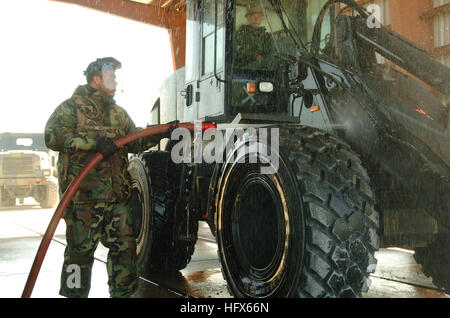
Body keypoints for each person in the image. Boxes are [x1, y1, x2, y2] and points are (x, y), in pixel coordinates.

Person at [44, 57, 167, 298]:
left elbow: (136, 140)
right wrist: (93, 144)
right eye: (111, 75)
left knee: (125, 252)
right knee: (79, 255)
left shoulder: (118, 113)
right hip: (83, 200)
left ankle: (122, 295)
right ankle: (74, 296)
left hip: (117, 198)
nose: (115, 79)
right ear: (96, 79)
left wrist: (162, 131)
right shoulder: (71, 108)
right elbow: (52, 136)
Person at [234, 2, 274, 69]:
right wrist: (254, 56)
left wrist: (263, 58)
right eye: (253, 16)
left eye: (258, 17)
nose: (256, 19)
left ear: (261, 18)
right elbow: (237, 51)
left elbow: (271, 53)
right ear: (248, 18)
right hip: (244, 70)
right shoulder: (240, 33)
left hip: (264, 69)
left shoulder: (266, 36)